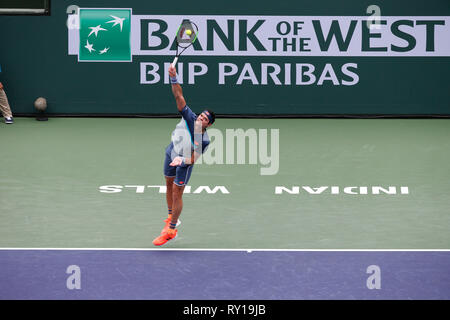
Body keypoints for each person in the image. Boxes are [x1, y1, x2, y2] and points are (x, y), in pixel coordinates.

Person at [152, 64, 216, 246]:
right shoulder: (189, 116)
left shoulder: (203, 139)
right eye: (201, 115)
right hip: (171, 151)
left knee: (177, 192)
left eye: (205, 119)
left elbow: (194, 159)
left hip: (184, 162)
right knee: (168, 184)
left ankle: (171, 229)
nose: (200, 118)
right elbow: (178, 95)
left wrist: (182, 160)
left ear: (208, 125)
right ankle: (171, 215)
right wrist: (173, 77)